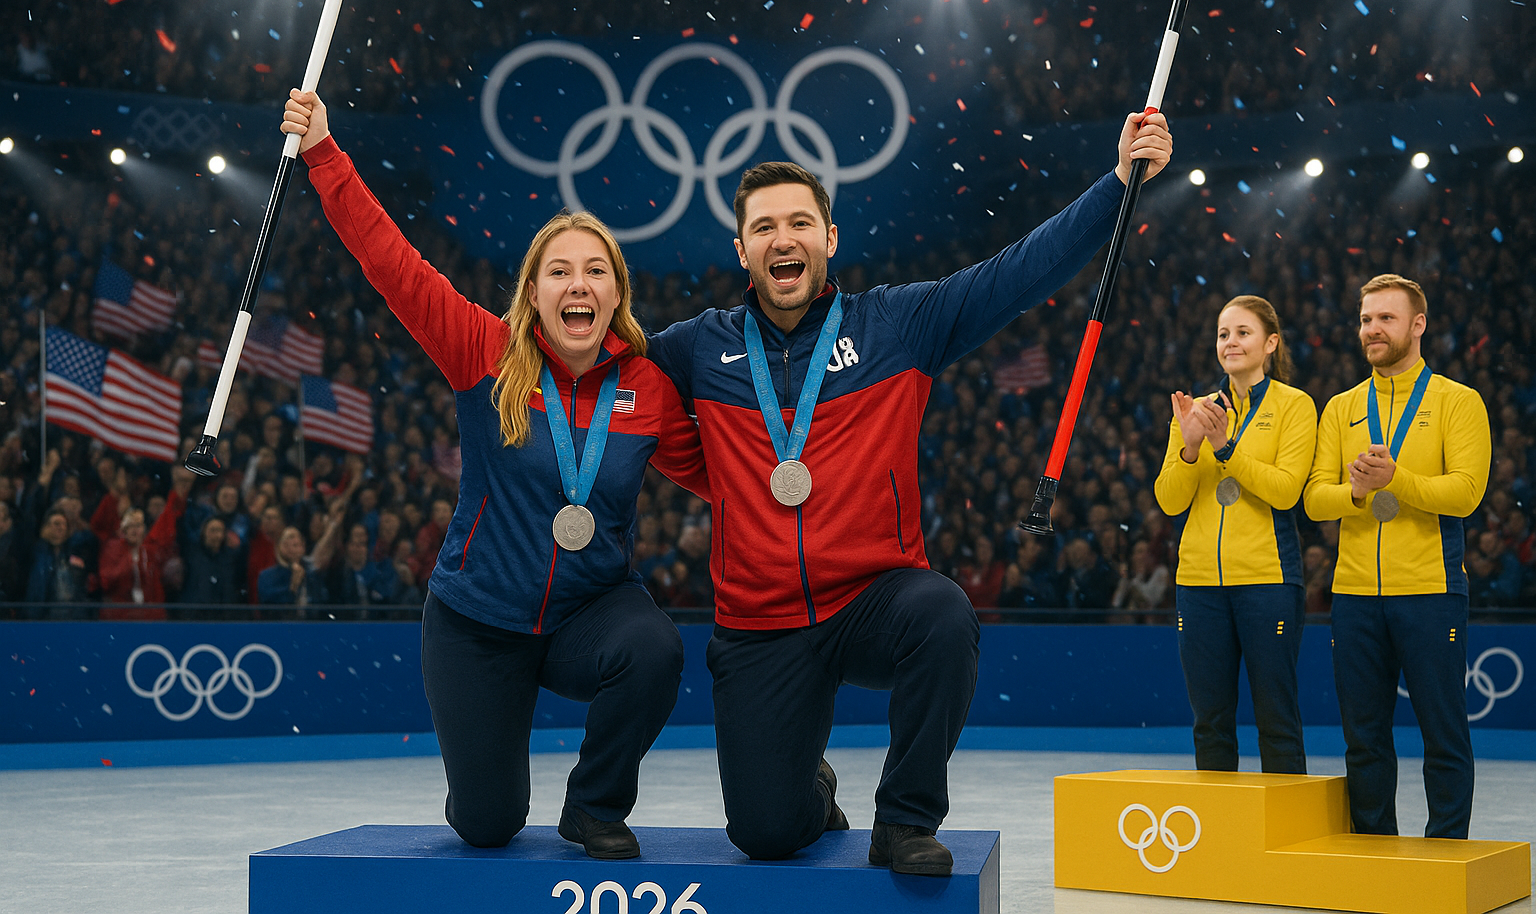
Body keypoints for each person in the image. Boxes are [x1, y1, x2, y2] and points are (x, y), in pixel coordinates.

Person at [646, 111, 1172, 874]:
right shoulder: (698, 346)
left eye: (800, 222)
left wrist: (1118, 183)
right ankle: (810, 785)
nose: (782, 238)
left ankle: (904, 819)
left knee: (943, 612)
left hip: (872, 601)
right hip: (760, 620)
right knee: (765, 834)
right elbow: (605, 383)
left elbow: (1020, 271)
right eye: (764, 227)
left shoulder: (898, 323)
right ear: (742, 250)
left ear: (830, 239)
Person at [281, 89, 707, 859]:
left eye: (595, 272)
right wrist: (323, 153)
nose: (578, 286)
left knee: (655, 649)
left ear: (616, 293)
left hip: (591, 616)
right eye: (559, 272)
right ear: (533, 292)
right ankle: (485, 766)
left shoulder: (648, 389)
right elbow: (392, 263)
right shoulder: (485, 351)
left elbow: (724, 478)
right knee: (488, 826)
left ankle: (594, 806)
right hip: (478, 622)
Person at [1304, 273, 1490, 839]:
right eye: (1365, 319)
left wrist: (1397, 479)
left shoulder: (1458, 400)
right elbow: (1315, 500)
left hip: (1431, 592)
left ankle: (1446, 858)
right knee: (1363, 739)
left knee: (1444, 735)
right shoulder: (1341, 407)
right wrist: (1359, 494)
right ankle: (1372, 855)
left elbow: (1467, 491)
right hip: (1356, 596)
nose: (1372, 329)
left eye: (1386, 318)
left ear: (1418, 325)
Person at [1154, 295, 1317, 774]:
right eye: (1224, 333)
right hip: (1200, 585)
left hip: (1268, 581)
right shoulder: (1194, 410)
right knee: (1210, 721)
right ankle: (1218, 839)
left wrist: (1224, 448)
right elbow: (1169, 501)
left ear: (1270, 343)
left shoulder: (1295, 406)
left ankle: (1286, 840)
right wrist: (1188, 448)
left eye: (1243, 332)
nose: (1231, 342)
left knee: (1276, 718)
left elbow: (1286, 492)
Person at [98, 469, 191, 621]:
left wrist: (176, 496)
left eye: (139, 526)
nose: (135, 530)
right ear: (124, 530)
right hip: (121, 617)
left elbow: (165, 525)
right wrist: (129, 561)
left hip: (149, 616)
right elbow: (107, 581)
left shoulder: (149, 550)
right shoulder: (112, 548)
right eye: (131, 526)